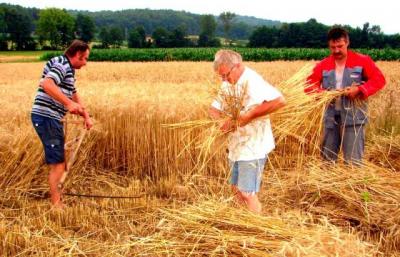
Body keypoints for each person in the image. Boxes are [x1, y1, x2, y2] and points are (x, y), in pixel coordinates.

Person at [209, 50, 285, 214]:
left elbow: (279, 101)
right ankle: (243, 221)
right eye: (221, 77)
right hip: (236, 145)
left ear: (237, 66)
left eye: (226, 75)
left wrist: (247, 117)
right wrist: (221, 122)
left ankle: (255, 228)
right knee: (236, 189)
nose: (224, 80)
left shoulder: (253, 81)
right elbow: (214, 109)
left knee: (247, 192)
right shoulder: (228, 83)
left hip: (253, 146)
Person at [306, 27, 386, 165]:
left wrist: (360, 89)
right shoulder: (323, 65)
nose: (336, 50)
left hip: (354, 117)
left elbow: (379, 80)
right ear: (329, 46)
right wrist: (323, 94)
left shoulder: (362, 61)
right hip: (330, 118)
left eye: (340, 46)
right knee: (327, 161)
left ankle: (353, 185)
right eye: (333, 47)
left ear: (347, 43)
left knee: (353, 161)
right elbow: (309, 85)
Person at [31, 39, 93, 208]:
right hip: (46, 117)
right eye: (85, 58)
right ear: (77, 55)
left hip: (51, 118)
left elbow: (73, 94)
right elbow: (47, 84)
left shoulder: (69, 70)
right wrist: (68, 104)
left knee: (59, 161)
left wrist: (85, 115)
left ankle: (57, 198)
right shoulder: (62, 65)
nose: (86, 63)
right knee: (58, 163)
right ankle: (56, 204)